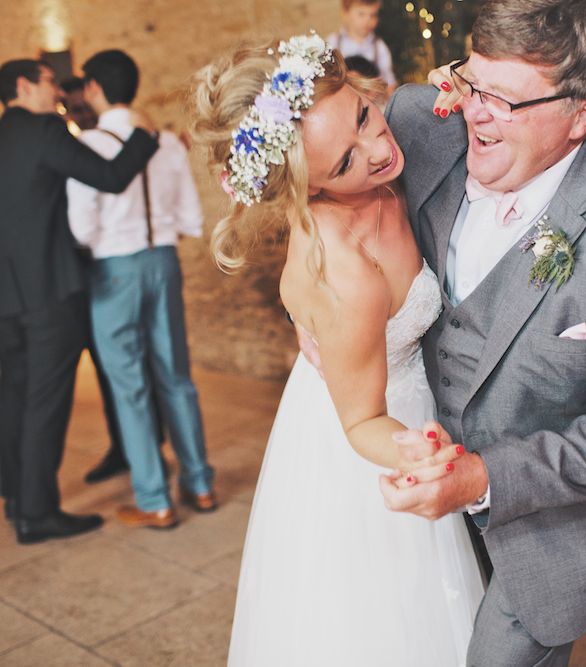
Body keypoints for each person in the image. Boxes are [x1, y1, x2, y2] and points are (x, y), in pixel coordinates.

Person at [378, 1, 586, 665]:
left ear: (582, 111)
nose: (474, 112)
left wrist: (478, 479)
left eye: (503, 99)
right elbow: (316, 180)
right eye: (471, 82)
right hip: (406, 491)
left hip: (549, 533)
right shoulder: (416, 121)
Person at [191, 34, 483, 666]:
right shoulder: (343, 273)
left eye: (362, 115)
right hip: (375, 431)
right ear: (310, 190)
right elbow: (360, 420)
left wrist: (466, 82)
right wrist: (420, 451)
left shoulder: (397, 129)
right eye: (345, 164)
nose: (380, 148)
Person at [0, 58, 159, 544]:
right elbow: (109, 176)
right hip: (49, 293)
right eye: (49, 81)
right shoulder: (45, 131)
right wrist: (146, 139)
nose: (58, 91)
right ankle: (38, 513)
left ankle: (15, 497)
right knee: (45, 404)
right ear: (25, 86)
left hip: (5, 297)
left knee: (12, 399)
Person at [66, 50, 215, 529]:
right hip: (163, 263)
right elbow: (192, 218)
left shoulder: (87, 143)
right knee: (176, 377)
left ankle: (155, 498)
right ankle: (200, 484)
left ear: (92, 88)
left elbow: (80, 229)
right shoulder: (166, 143)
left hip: (113, 270)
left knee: (129, 385)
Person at [326, 0, 397, 96]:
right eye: (361, 14)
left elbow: (389, 83)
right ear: (345, 13)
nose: (368, 20)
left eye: (373, 15)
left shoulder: (379, 47)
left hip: (371, 101)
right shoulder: (333, 42)